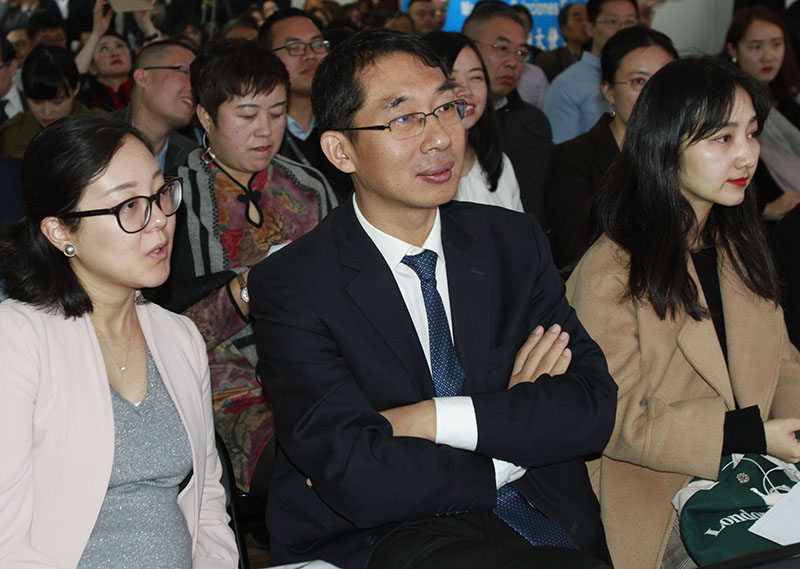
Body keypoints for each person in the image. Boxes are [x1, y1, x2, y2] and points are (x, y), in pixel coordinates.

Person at [250, 28, 617, 569]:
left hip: (542, 511)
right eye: (404, 119)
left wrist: (426, 419)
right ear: (341, 150)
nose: (440, 138)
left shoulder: (510, 242)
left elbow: (590, 406)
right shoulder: (293, 283)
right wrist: (506, 442)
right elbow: (356, 472)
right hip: (387, 533)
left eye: (446, 108)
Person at [565, 56, 800, 569]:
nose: (746, 156)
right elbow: (615, 418)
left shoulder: (737, 246)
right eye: (722, 138)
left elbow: (783, 365)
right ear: (665, 146)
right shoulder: (611, 270)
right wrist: (753, 435)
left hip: (764, 474)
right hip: (665, 498)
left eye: (751, 134)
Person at [0, 114, 239, 568]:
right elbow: (6, 546)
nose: (159, 221)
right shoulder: (16, 340)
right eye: (127, 206)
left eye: (160, 194)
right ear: (61, 231)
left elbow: (207, 502)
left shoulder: (178, 337)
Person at [147, 38, 337, 498]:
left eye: (277, 112)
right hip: (223, 372)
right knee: (304, 453)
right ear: (205, 117)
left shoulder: (309, 187)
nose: (265, 131)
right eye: (247, 115)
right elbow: (165, 332)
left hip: (316, 359)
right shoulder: (175, 199)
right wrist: (250, 288)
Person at [546, 25, 676, 270]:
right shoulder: (574, 159)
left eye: (664, 80)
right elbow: (575, 252)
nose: (653, 94)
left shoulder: (687, 153)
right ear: (608, 91)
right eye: (639, 81)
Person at [462, 1, 553, 229]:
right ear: (468, 49)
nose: (513, 62)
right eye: (502, 48)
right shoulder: (439, 123)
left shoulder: (533, 123)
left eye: (521, 53)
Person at [260, 8, 352, 203]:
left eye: (317, 44)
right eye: (295, 47)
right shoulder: (259, 134)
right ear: (267, 57)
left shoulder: (347, 123)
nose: (310, 55)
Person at [424, 31, 522, 212]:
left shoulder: (499, 164)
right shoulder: (418, 169)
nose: (466, 91)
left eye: (476, 77)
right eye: (451, 80)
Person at [723, 5, 800, 221]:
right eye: (755, 47)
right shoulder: (726, 108)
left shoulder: (789, 100)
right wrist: (766, 209)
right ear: (733, 50)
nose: (768, 56)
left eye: (776, 44)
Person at [543, 0, 638, 143]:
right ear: (590, 27)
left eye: (629, 22)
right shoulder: (566, 85)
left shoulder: (645, 77)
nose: (622, 30)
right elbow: (562, 150)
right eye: (612, 21)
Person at [0, 44, 104, 158]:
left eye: (57, 102)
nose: (47, 112)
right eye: (37, 102)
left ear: (75, 88)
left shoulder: (100, 127)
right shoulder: (10, 136)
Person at [114, 39, 198, 176]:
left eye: (196, 79)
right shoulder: (96, 140)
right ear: (143, 78)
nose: (194, 86)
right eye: (183, 71)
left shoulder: (193, 158)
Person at [536, 3, 590, 82]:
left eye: (589, 19)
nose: (585, 24)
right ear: (563, 29)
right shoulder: (547, 61)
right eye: (579, 19)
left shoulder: (602, 59)